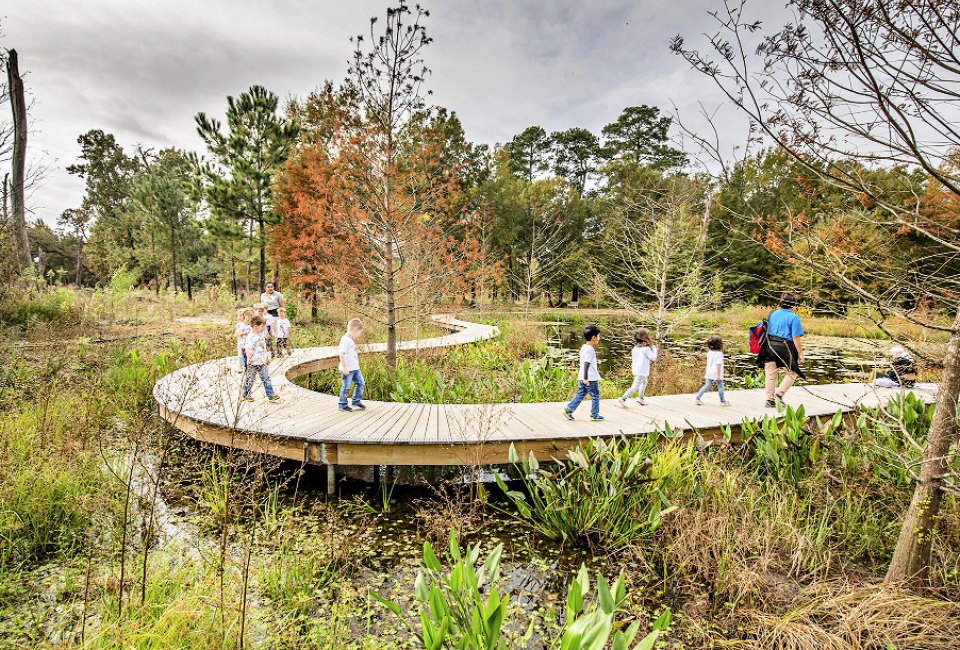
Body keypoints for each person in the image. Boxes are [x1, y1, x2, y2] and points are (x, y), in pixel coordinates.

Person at [757, 292, 806, 408]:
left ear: (781, 303)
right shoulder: (794, 317)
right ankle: (779, 395)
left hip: (769, 346)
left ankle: (769, 400)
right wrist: (801, 354)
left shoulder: (772, 314)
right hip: (785, 347)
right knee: (793, 372)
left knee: (770, 374)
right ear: (793, 305)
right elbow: (796, 337)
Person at [563, 324, 604, 421]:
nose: (599, 338)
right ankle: (594, 415)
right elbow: (586, 364)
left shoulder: (584, 347)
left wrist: (583, 377)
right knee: (595, 395)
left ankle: (568, 409)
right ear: (594, 338)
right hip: (590, 378)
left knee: (580, 394)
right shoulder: (590, 350)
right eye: (598, 336)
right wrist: (586, 378)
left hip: (582, 377)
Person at [242, 315, 280, 403]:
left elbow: (263, 348)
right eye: (262, 326)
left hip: (262, 362)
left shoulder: (261, 335)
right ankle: (246, 394)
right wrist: (249, 357)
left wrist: (267, 357)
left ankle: (270, 395)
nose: (263, 328)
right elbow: (247, 348)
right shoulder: (251, 337)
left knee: (266, 378)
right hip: (253, 363)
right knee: (250, 379)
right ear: (255, 326)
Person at [618, 328, 657, 407]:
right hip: (642, 371)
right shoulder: (646, 349)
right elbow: (653, 358)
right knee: (635, 386)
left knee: (644, 382)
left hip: (636, 370)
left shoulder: (635, 348)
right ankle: (623, 398)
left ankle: (640, 398)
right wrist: (654, 349)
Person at [338, 318, 366, 412]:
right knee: (346, 387)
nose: (359, 335)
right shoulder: (345, 340)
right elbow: (342, 354)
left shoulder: (350, 340)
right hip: (348, 370)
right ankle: (342, 404)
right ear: (354, 330)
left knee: (361, 383)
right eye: (359, 333)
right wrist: (345, 367)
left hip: (355, 369)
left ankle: (356, 401)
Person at [695, 335, 731, 406]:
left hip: (709, 371)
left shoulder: (709, 353)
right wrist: (718, 374)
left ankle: (698, 397)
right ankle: (722, 401)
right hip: (716, 372)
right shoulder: (719, 354)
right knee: (720, 386)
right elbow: (718, 364)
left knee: (707, 385)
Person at [234, 308, 252, 372]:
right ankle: (240, 367)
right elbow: (236, 334)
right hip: (241, 343)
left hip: (247, 343)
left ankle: (247, 367)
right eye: (238, 316)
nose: (239, 317)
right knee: (240, 355)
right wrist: (244, 333)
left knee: (247, 355)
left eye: (241, 316)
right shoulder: (239, 325)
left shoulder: (249, 325)